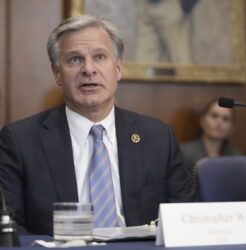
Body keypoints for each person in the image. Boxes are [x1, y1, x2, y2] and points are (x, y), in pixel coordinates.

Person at [0, 15, 194, 235]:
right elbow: (9, 228)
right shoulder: (21, 140)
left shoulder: (158, 137)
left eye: (100, 57)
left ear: (118, 68)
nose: (88, 69)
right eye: (75, 59)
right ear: (57, 73)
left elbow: (183, 218)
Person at [180, 99, 242, 176]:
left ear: (231, 127)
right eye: (214, 116)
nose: (219, 123)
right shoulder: (184, 153)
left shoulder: (237, 158)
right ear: (202, 120)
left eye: (225, 119)